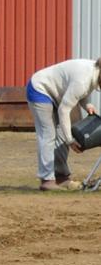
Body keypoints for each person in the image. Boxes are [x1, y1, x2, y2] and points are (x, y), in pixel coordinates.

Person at [26, 57, 101, 191]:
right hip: (39, 89)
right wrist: (70, 140)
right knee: (48, 134)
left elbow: (82, 93)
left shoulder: (93, 72)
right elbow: (64, 110)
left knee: (62, 133)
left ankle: (61, 177)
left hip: (56, 94)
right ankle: (47, 180)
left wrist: (88, 105)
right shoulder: (83, 80)